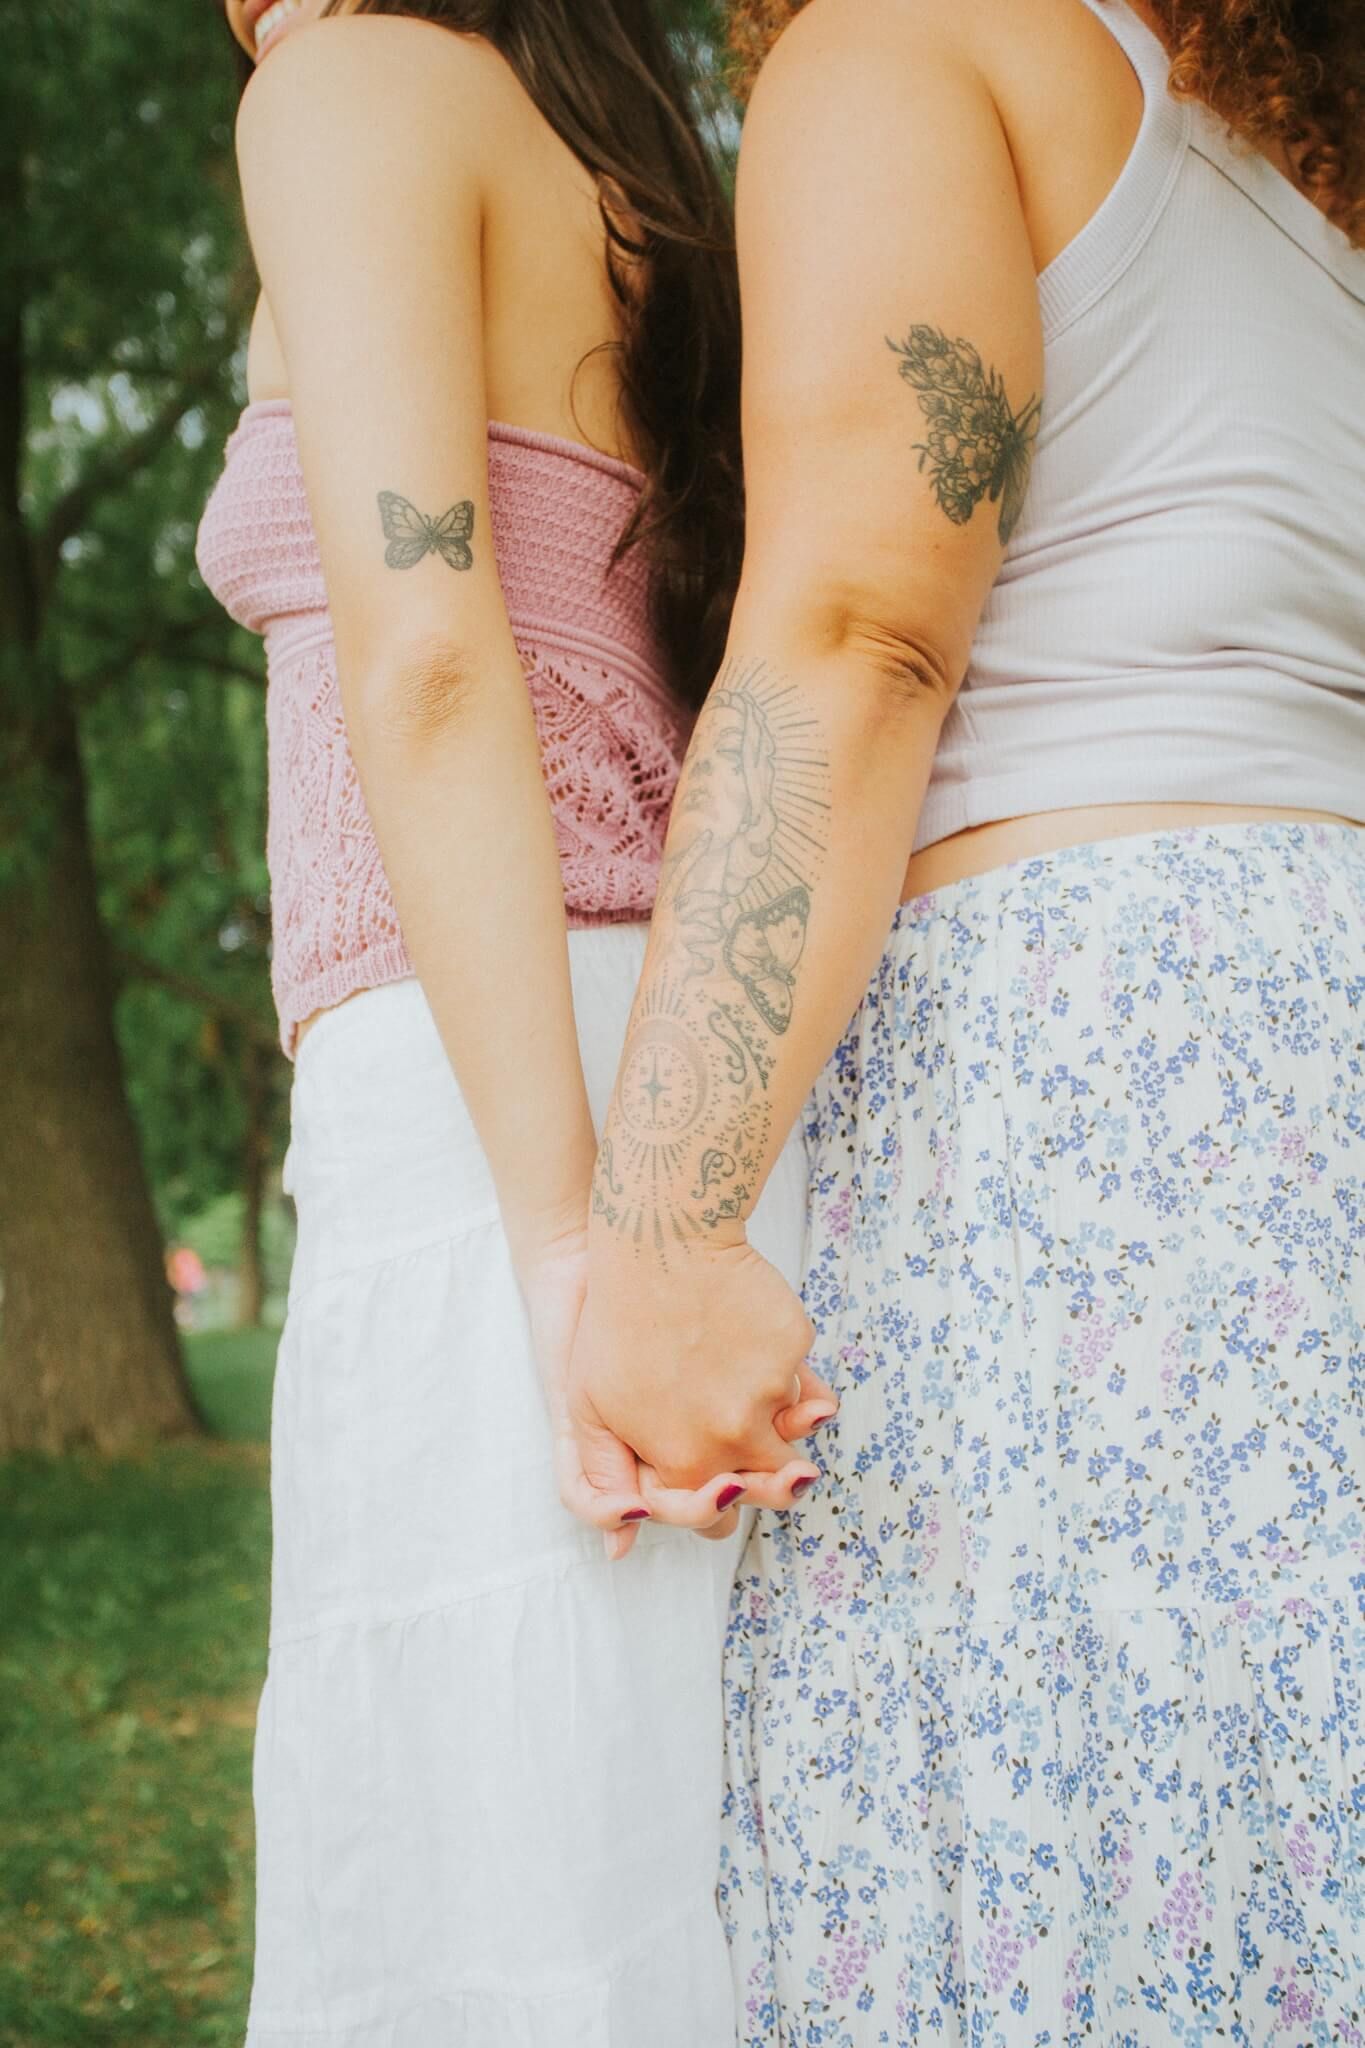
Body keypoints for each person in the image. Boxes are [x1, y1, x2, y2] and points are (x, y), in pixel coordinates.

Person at [565, 0, 1365, 2037]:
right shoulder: (1300, 169)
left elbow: (856, 630)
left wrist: (662, 1230)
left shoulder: (905, 47)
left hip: (1096, 1060)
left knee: (1075, 1811)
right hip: (1309, 1003)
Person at [196, 2, 832, 2040]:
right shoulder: (633, 174)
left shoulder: (348, 89)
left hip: (489, 1077)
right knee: (622, 1823)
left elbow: (428, 653)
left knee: (481, 1854)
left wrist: (565, 1234)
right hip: (678, 1051)